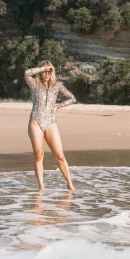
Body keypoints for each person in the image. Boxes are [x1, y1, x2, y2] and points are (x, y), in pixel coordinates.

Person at [25, 60, 77, 191]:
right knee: (38, 155)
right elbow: (27, 73)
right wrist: (42, 68)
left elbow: (72, 98)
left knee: (60, 155)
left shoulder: (57, 86)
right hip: (35, 121)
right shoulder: (34, 84)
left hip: (51, 122)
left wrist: (58, 106)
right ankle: (41, 187)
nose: (47, 73)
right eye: (44, 71)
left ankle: (70, 184)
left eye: (49, 71)